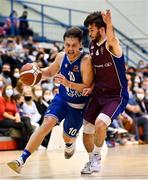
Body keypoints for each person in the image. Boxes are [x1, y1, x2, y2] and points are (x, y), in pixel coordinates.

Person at [7, 27, 94, 173]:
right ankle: (21, 160)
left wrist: (68, 83)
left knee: (67, 137)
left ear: (80, 45)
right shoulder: (61, 57)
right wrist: (36, 72)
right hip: (62, 99)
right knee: (46, 124)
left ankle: (69, 144)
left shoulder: (86, 61)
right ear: (64, 43)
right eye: (67, 45)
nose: (70, 49)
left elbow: (87, 87)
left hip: (78, 106)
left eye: (74, 45)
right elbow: (50, 72)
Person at [81, 10, 129, 174]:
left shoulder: (112, 45)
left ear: (101, 29)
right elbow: (96, 71)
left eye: (91, 30)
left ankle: (97, 157)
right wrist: (91, 86)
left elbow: (112, 38)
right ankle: (90, 160)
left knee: (100, 124)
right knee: (87, 130)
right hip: (98, 93)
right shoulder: (92, 46)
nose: (89, 33)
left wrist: (109, 24)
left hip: (116, 95)